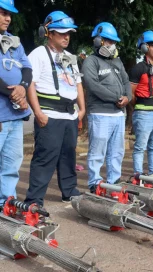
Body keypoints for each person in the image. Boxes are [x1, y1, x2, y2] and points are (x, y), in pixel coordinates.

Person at [25, 11, 85, 206]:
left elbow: (78, 84)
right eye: (61, 33)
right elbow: (30, 84)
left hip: (70, 114)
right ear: (48, 33)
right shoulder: (38, 54)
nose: (66, 36)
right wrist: (38, 113)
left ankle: (69, 191)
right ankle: (35, 199)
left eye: (68, 33)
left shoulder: (70, 57)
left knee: (68, 156)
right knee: (45, 157)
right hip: (49, 114)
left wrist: (81, 110)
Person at [82, 22, 131, 192]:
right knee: (97, 151)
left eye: (113, 42)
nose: (111, 45)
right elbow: (92, 85)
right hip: (100, 113)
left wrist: (128, 97)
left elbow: (126, 81)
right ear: (98, 41)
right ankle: (94, 183)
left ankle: (114, 180)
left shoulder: (117, 61)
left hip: (118, 114)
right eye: (108, 41)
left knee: (117, 152)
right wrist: (116, 97)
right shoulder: (91, 61)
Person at [0, 0, 32, 207]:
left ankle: (6, 203)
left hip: (15, 116)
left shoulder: (14, 41)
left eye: (10, 14)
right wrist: (14, 94)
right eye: (3, 13)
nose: (8, 18)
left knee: (12, 164)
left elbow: (27, 68)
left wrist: (22, 86)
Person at [129, 30, 153, 176]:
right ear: (145, 48)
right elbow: (131, 94)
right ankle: (138, 175)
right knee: (140, 147)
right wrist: (139, 108)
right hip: (144, 113)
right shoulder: (138, 68)